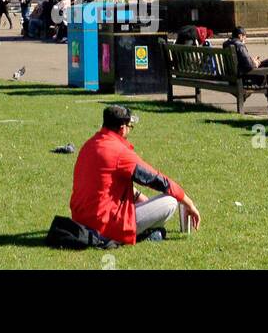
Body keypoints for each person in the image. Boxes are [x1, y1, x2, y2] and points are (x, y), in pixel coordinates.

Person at [70, 104, 201, 245]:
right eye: (129, 126)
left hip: (80, 221)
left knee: (153, 204)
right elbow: (157, 180)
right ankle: (144, 234)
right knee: (170, 201)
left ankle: (148, 232)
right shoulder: (119, 152)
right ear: (122, 128)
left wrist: (146, 202)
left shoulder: (89, 144)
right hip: (104, 227)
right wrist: (189, 203)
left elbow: (108, 186)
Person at [225, 27, 268, 111]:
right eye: (245, 36)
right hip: (246, 76)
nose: (246, 38)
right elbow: (249, 65)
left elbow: (242, 61)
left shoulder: (227, 44)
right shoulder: (239, 45)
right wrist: (254, 63)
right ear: (240, 36)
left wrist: (252, 60)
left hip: (237, 73)